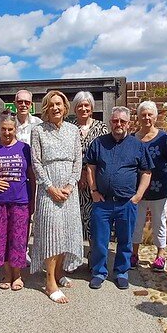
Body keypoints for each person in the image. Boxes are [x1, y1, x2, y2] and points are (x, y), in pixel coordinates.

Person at [85, 106, 154, 290]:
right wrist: (93, 190)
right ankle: (99, 272)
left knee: (125, 240)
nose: (119, 124)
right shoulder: (99, 143)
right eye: (115, 121)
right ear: (110, 122)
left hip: (126, 203)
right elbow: (90, 167)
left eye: (123, 121)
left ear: (129, 123)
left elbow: (146, 172)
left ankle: (121, 272)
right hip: (103, 203)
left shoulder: (137, 145)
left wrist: (138, 196)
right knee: (100, 240)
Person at [30, 90, 84, 303]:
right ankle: (49, 281)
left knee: (65, 233)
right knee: (51, 233)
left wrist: (70, 186)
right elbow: (36, 162)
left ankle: (60, 272)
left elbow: (78, 161)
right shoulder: (38, 131)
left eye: (59, 104)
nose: (55, 108)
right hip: (48, 189)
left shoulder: (73, 130)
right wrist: (50, 187)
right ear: (46, 107)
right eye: (51, 104)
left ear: (65, 107)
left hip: (69, 191)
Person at [0, 111, 35, 291]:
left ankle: (18, 275)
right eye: (4, 129)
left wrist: (32, 201)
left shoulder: (25, 148)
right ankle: (7, 273)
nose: (7, 133)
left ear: (16, 129)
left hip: (20, 200)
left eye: (10, 129)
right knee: (0, 237)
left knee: (18, 238)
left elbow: (32, 177)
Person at [131, 101, 167, 271]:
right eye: (143, 114)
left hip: (160, 187)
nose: (147, 118)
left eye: (150, 114)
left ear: (155, 117)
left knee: (159, 222)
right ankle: (134, 254)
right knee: (136, 223)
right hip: (137, 190)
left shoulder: (164, 138)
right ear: (138, 117)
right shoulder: (132, 138)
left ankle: (160, 255)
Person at [70, 91, 109, 242]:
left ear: (92, 108)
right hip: (74, 181)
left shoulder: (101, 127)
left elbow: (104, 154)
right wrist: (79, 173)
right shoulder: (69, 127)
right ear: (75, 108)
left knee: (95, 218)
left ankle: (94, 253)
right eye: (80, 105)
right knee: (74, 218)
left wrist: (87, 172)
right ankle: (74, 254)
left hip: (95, 181)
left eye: (87, 105)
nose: (83, 109)